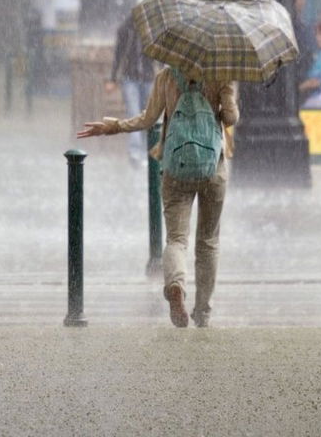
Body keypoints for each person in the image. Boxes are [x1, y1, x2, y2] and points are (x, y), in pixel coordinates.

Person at [77, 68, 237, 328]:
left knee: (176, 239)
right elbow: (230, 118)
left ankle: (176, 284)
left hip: (177, 167)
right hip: (212, 168)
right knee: (208, 241)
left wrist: (113, 126)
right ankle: (203, 313)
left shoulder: (168, 75)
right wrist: (224, 100)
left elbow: (148, 119)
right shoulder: (221, 72)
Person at [105, 15, 156, 167]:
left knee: (148, 116)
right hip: (130, 79)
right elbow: (118, 55)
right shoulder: (126, 30)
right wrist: (113, 79)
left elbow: (158, 55)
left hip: (147, 79)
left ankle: (147, 151)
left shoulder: (153, 31)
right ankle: (135, 152)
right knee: (134, 114)